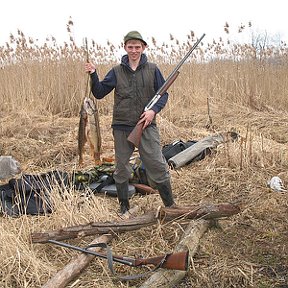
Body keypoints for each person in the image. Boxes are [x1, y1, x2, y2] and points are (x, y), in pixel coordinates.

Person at [85, 31, 176, 214]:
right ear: (125, 48)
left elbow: (163, 94)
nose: (134, 50)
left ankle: (171, 206)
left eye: (137, 47)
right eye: (130, 47)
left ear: (143, 48)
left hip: (147, 125)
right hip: (122, 127)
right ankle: (124, 207)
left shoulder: (153, 69)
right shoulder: (117, 71)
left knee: (157, 165)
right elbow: (99, 93)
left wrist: (153, 111)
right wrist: (94, 75)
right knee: (121, 169)